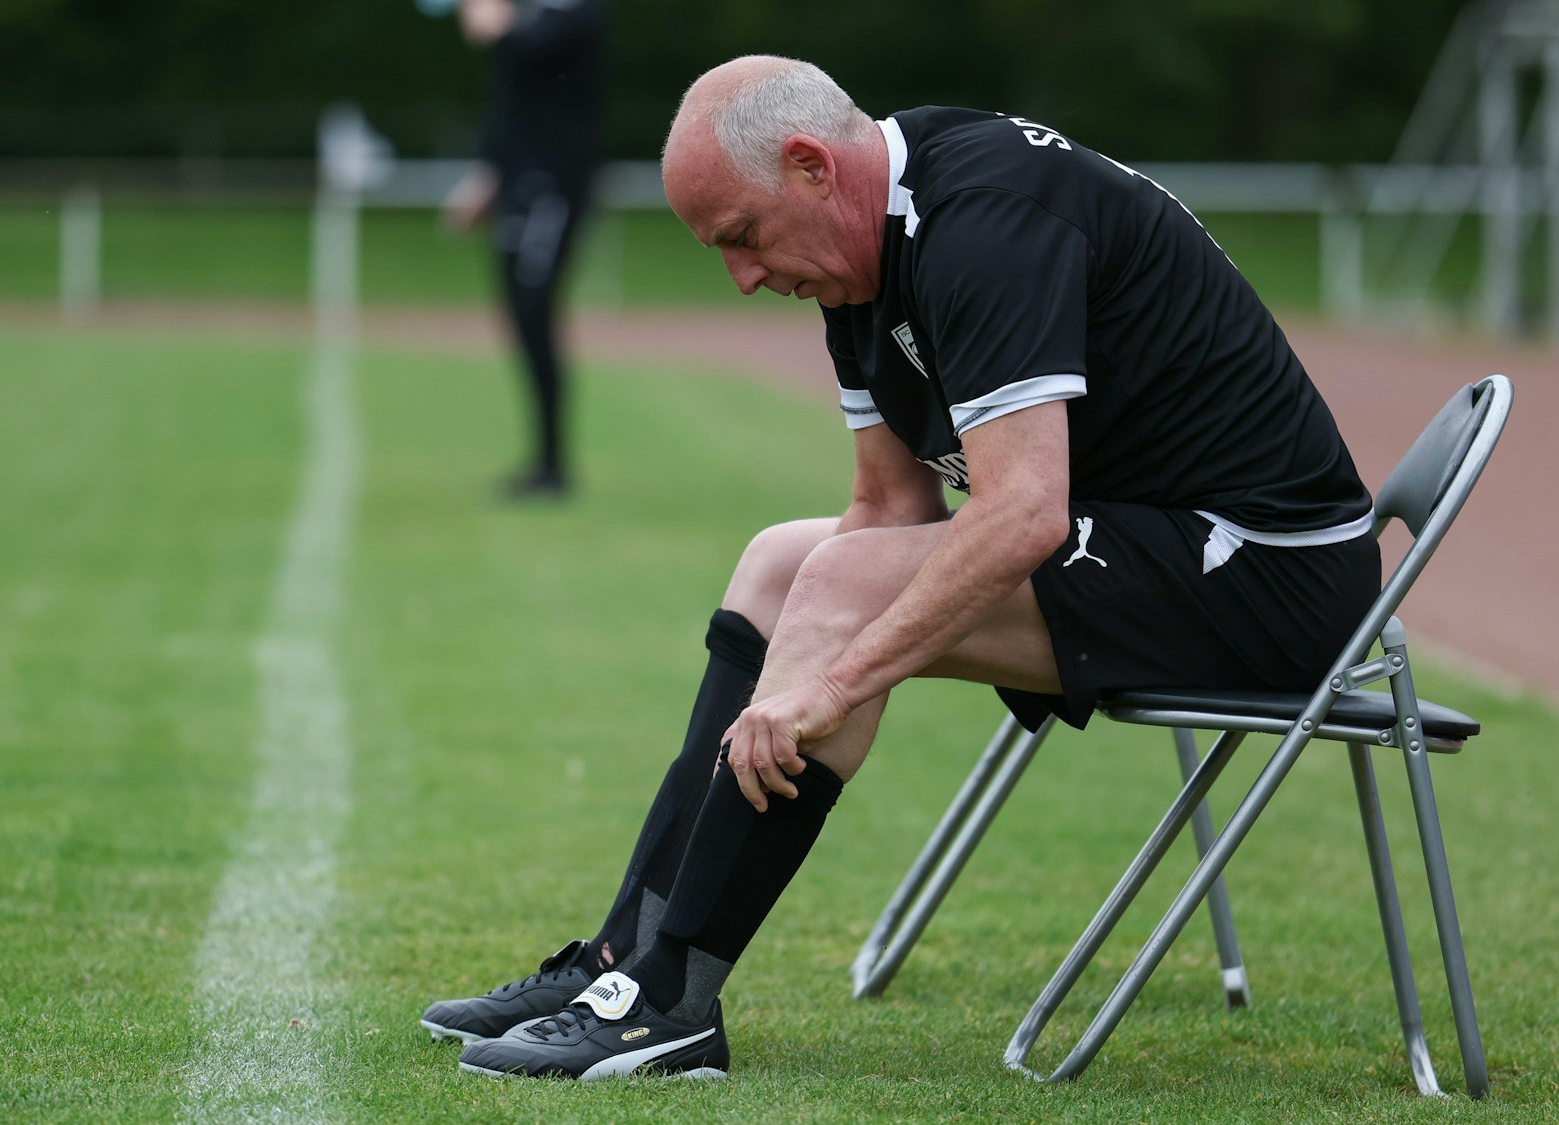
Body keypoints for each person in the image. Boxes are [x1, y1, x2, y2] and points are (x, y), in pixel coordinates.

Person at [421, 55, 1379, 1080]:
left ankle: (670, 1001)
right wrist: (809, 645)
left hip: (1271, 575)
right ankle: (622, 962)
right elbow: (887, 507)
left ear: (809, 167)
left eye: (741, 238)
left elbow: (1021, 513)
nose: (742, 278)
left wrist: (828, 682)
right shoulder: (862, 250)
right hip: (1156, 544)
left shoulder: (980, 222)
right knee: (784, 564)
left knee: (835, 587)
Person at [442, 0, 605, 499]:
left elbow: (520, 46)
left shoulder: (573, 11)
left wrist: (490, 20)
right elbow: (514, 99)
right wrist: (488, 175)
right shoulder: (535, 12)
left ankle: (552, 466)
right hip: (519, 186)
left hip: (552, 188)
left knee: (535, 313)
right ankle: (546, 462)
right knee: (520, 317)